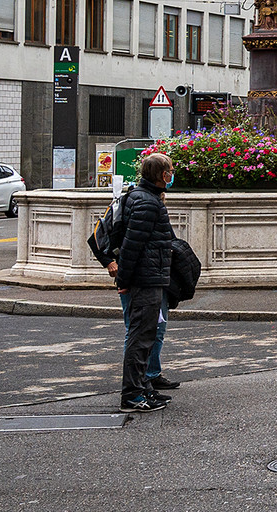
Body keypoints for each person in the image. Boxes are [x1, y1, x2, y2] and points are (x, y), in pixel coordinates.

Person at [106, 152, 176, 413]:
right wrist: (123, 281)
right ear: (160, 175)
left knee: (146, 336)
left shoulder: (143, 198)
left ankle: (143, 387)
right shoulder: (147, 203)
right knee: (141, 337)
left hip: (148, 277)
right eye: (169, 170)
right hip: (145, 280)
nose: (171, 174)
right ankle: (133, 395)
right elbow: (132, 246)